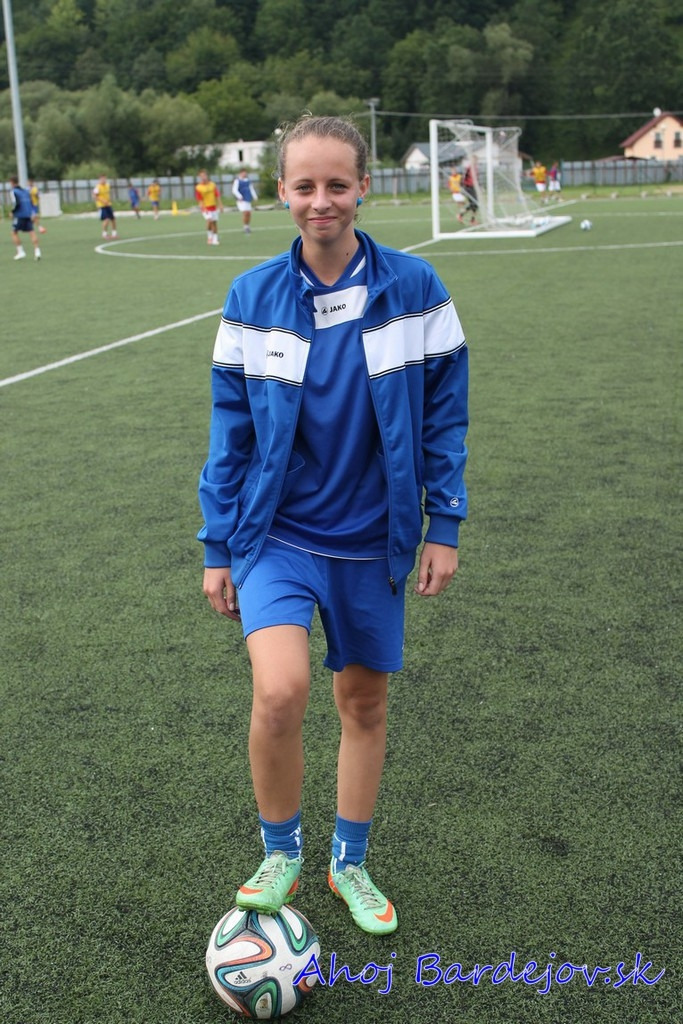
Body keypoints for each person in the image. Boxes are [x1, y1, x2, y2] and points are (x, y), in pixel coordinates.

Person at [198, 115, 469, 936]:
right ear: (281, 191)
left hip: (372, 541)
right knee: (279, 690)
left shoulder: (416, 288)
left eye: (337, 185)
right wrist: (217, 545)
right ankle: (279, 851)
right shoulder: (251, 297)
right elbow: (230, 432)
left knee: (363, 705)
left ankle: (348, 862)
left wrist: (444, 524)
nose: (321, 201)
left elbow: (444, 417)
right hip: (275, 535)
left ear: (363, 188)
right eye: (304, 186)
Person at [9, 176, 42, 261]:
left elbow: (16, 203)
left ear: (12, 182)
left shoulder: (14, 191)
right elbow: (31, 202)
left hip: (19, 215)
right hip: (28, 214)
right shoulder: (25, 191)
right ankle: (37, 251)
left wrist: (12, 212)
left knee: (14, 232)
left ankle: (20, 252)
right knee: (32, 232)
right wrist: (32, 212)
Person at [195, 169, 224, 245]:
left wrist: (220, 205)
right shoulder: (198, 187)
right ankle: (209, 237)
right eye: (201, 176)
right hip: (205, 207)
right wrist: (202, 207)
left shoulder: (212, 185)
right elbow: (199, 199)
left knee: (214, 223)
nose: (203, 177)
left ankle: (215, 239)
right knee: (209, 221)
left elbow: (217, 195)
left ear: (207, 176)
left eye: (204, 175)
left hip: (213, 206)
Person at [232, 168, 258, 233]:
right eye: (243, 172)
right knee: (245, 212)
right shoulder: (237, 181)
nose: (244, 174)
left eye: (245, 172)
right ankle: (245, 227)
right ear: (240, 173)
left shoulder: (248, 181)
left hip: (248, 199)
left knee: (249, 213)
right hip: (241, 200)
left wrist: (255, 197)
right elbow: (234, 190)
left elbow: (251, 189)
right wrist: (239, 196)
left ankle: (247, 226)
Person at [93, 174, 117, 239]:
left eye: (105, 179)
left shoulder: (107, 185)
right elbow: (95, 196)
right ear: (100, 179)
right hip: (101, 206)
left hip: (108, 204)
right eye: (102, 179)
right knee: (106, 219)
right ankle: (104, 234)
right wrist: (102, 200)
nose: (104, 180)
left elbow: (108, 194)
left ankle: (114, 234)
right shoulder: (97, 187)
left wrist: (109, 200)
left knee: (113, 219)